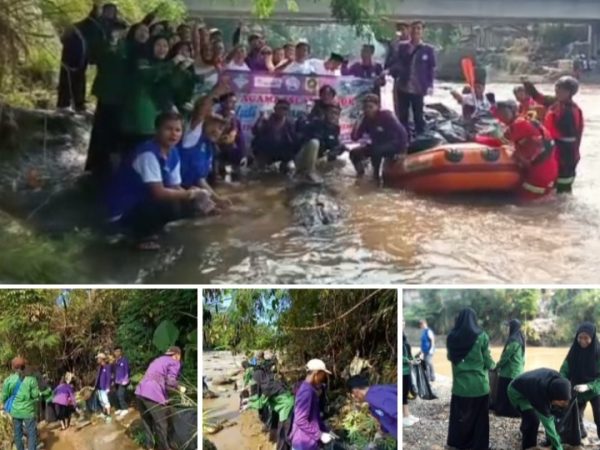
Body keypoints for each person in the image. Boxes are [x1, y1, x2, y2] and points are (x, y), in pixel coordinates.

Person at [107, 112, 207, 250]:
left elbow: (175, 186)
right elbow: (158, 192)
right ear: (156, 130)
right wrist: (190, 194)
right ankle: (139, 236)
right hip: (124, 210)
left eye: (178, 130)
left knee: (191, 204)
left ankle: (151, 229)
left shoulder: (173, 153)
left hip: (142, 202)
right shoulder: (147, 154)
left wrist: (199, 198)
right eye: (168, 129)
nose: (173, 134)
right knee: (169, 204)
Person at [523, 76, 584, 193]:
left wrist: (538, 129)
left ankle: (562, 209)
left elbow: (567, 137)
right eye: (557, 88)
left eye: (562, 90)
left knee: (563, 189)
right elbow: (539, 97)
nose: (558, 91)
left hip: (566, 154)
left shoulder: (570, 111)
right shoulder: (556, 103)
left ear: (570, 93)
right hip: (555, 149)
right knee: (551, 186)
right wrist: (528, 85)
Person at [446, 308, 495, 450]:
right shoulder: (482, 336)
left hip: (460, 387)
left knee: (460, 418)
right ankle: (479, 445)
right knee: (480, 419)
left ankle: (459, 443)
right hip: (479, 386)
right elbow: (488, 361)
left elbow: (450, 357)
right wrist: (493, 366)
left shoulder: (451, 337)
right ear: (474, 320)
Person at [495, 100, 558, 201]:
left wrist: (477, 137)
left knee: (525, 203)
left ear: (513, 111)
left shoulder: (518, 125)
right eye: (499, 113)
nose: (501, 116)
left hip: (540, 171)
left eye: (504, 113)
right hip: (548, 167)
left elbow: (501, 141)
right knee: (542, 201)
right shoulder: (525, 120)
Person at [389, 21, 436, 136]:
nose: (416, 31)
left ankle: (421, 139)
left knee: (418, 115)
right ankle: (404, 138)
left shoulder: (428, 49)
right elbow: (396, 63)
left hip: (418, 88)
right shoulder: (403, 46)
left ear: (422, 32)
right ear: (410, 31)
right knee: (402, 115)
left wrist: (430, 85)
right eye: (414, 28)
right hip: (403, 86)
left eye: (419, 29)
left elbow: (431, 69)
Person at [135, 346, 185, 450]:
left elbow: (160, 379)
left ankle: (149, 446)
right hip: (152, 393)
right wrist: (180, 387)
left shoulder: (158, 360)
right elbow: (170, 381)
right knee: (162, 424)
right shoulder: (174, 362)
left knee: (147, 422)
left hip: (139, 392)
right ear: (177, 355)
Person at [508, 369, 571, 450]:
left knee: (554, 413)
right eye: (561, 402)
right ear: (554, 397)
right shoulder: (540, 398)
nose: (563, 404)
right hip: (516, 392)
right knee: (532, 419)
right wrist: (559, 448)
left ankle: (550, 442)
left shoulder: (561, 382)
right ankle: (528, 446)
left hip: (530, 386)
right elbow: (548, 423)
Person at [179, 114, 232, 211]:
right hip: (178, 193)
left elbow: (201, 179)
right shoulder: (191, 139)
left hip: (192, 192)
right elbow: (199, 179)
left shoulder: (209, 146)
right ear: (204, 124)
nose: (216, 131)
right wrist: (217, 199)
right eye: (212, 126)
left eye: (220, 128)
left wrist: (215, 199)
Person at [350, 94, 409, 180]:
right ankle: (360, 175)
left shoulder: (387, 116)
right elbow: (355, 138)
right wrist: (356, 124)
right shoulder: (365, 120)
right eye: (365, 107)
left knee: (376, 150)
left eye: (371, 107)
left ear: (378, 107)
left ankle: (376, 176)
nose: (368, 110)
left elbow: (402, 133)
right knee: (354, 153)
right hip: (377, 145)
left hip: (393, 145)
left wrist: (403, 152)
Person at [560, 322, 600, 441]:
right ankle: (580, 436)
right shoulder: (574, 351)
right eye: (580, 337)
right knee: (575, 416)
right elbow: (564, 370)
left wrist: (588, 386)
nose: (582, 340)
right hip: (576, 388)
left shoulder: (598, 353)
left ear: (592, 338)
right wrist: (562, 383)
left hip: (594, 390)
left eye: (586, 338)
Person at [290, 359, 334, 450]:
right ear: (316, 373)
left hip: (309, 443)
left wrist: (326, 430)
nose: (324, 378)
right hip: (303, 444)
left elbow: (315, 417)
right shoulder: (307, 392)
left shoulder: (310, 389)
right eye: (323, 374)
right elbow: (300, 420)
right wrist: (319, 435)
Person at [295, 104, 345, 183]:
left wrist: (333, 152)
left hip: (318, 159)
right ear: (326, 113)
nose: (333, 115)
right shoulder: (316, 123)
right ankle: (308, 172)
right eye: (331, 112)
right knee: (314, 142)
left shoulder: (335, 128)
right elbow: (308, 140)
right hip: (302, 157)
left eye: (336, 113)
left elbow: (336, 145)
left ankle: (319, 174)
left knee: (341, 162)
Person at [2, 357, 40, 450]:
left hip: (15, 411)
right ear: (24, 367)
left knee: (18, 435)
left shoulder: (8, 380)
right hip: (28, 411)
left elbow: (4, 396)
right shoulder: (31, 380)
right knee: (31, 434)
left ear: (12, 367)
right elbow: (35, 396)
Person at [252, 99, 298, 173]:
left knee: (291, 168)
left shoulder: (290, 123)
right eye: (280, 108)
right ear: (275, 109)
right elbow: (255, 131)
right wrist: (261, 119)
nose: (282, 111)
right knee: (257, 170)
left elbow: (294, 141)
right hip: (265, 152)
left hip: (283, 153)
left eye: (285, 109)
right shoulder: (267, 119)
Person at [494, 319, 525, 417]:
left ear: (512, 328)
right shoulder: (520, 338)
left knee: (504, 392)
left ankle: (504, 411)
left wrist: (497, 366)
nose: (507, 329)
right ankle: (513, 411)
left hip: (509, 372)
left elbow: (505, 357)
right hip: (517, 371)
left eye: (509, 327)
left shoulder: (513, 341)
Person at [217, 93, 247, 180]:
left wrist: (243, 155)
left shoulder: (235, 119)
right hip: (219, 156)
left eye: (234, 102)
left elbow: (239, 139)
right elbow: (215, 139)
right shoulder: (215, 118)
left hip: (234, 156)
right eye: (230, 102)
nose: (233, 105)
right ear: (222, 103)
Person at [402, 321, 420, 428]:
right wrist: (408, 361)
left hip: (407, 369)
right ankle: (403, 417)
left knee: (405, 392)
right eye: (401, 321)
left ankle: (407, 414)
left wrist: (414, 359)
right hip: (402, 370)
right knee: (402, 393)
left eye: (404, 321)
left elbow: (407, 354)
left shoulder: (403, 336)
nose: (403, 322)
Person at [113, 346, 131, 418]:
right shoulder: (116, 361)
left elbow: (127, 370)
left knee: (120, 394)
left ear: (121, 352)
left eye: (118, 351)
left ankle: (125, 408)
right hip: (117, 381)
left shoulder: (124, 360)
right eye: (115, 351)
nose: (117, 353)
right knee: (117, 395)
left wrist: (126, 379)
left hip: (123, 381)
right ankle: (121, 408)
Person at [95, 353, 112, 421]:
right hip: (99, 387)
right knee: (101, 400)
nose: (97, 360)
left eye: (98, 358)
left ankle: (108, 415)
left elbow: (108, 377)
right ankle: (104, 413)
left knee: (105, 401)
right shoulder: (100, 367)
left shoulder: (107, 367)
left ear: (101, 359)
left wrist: (108, 387)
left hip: (104, 387)